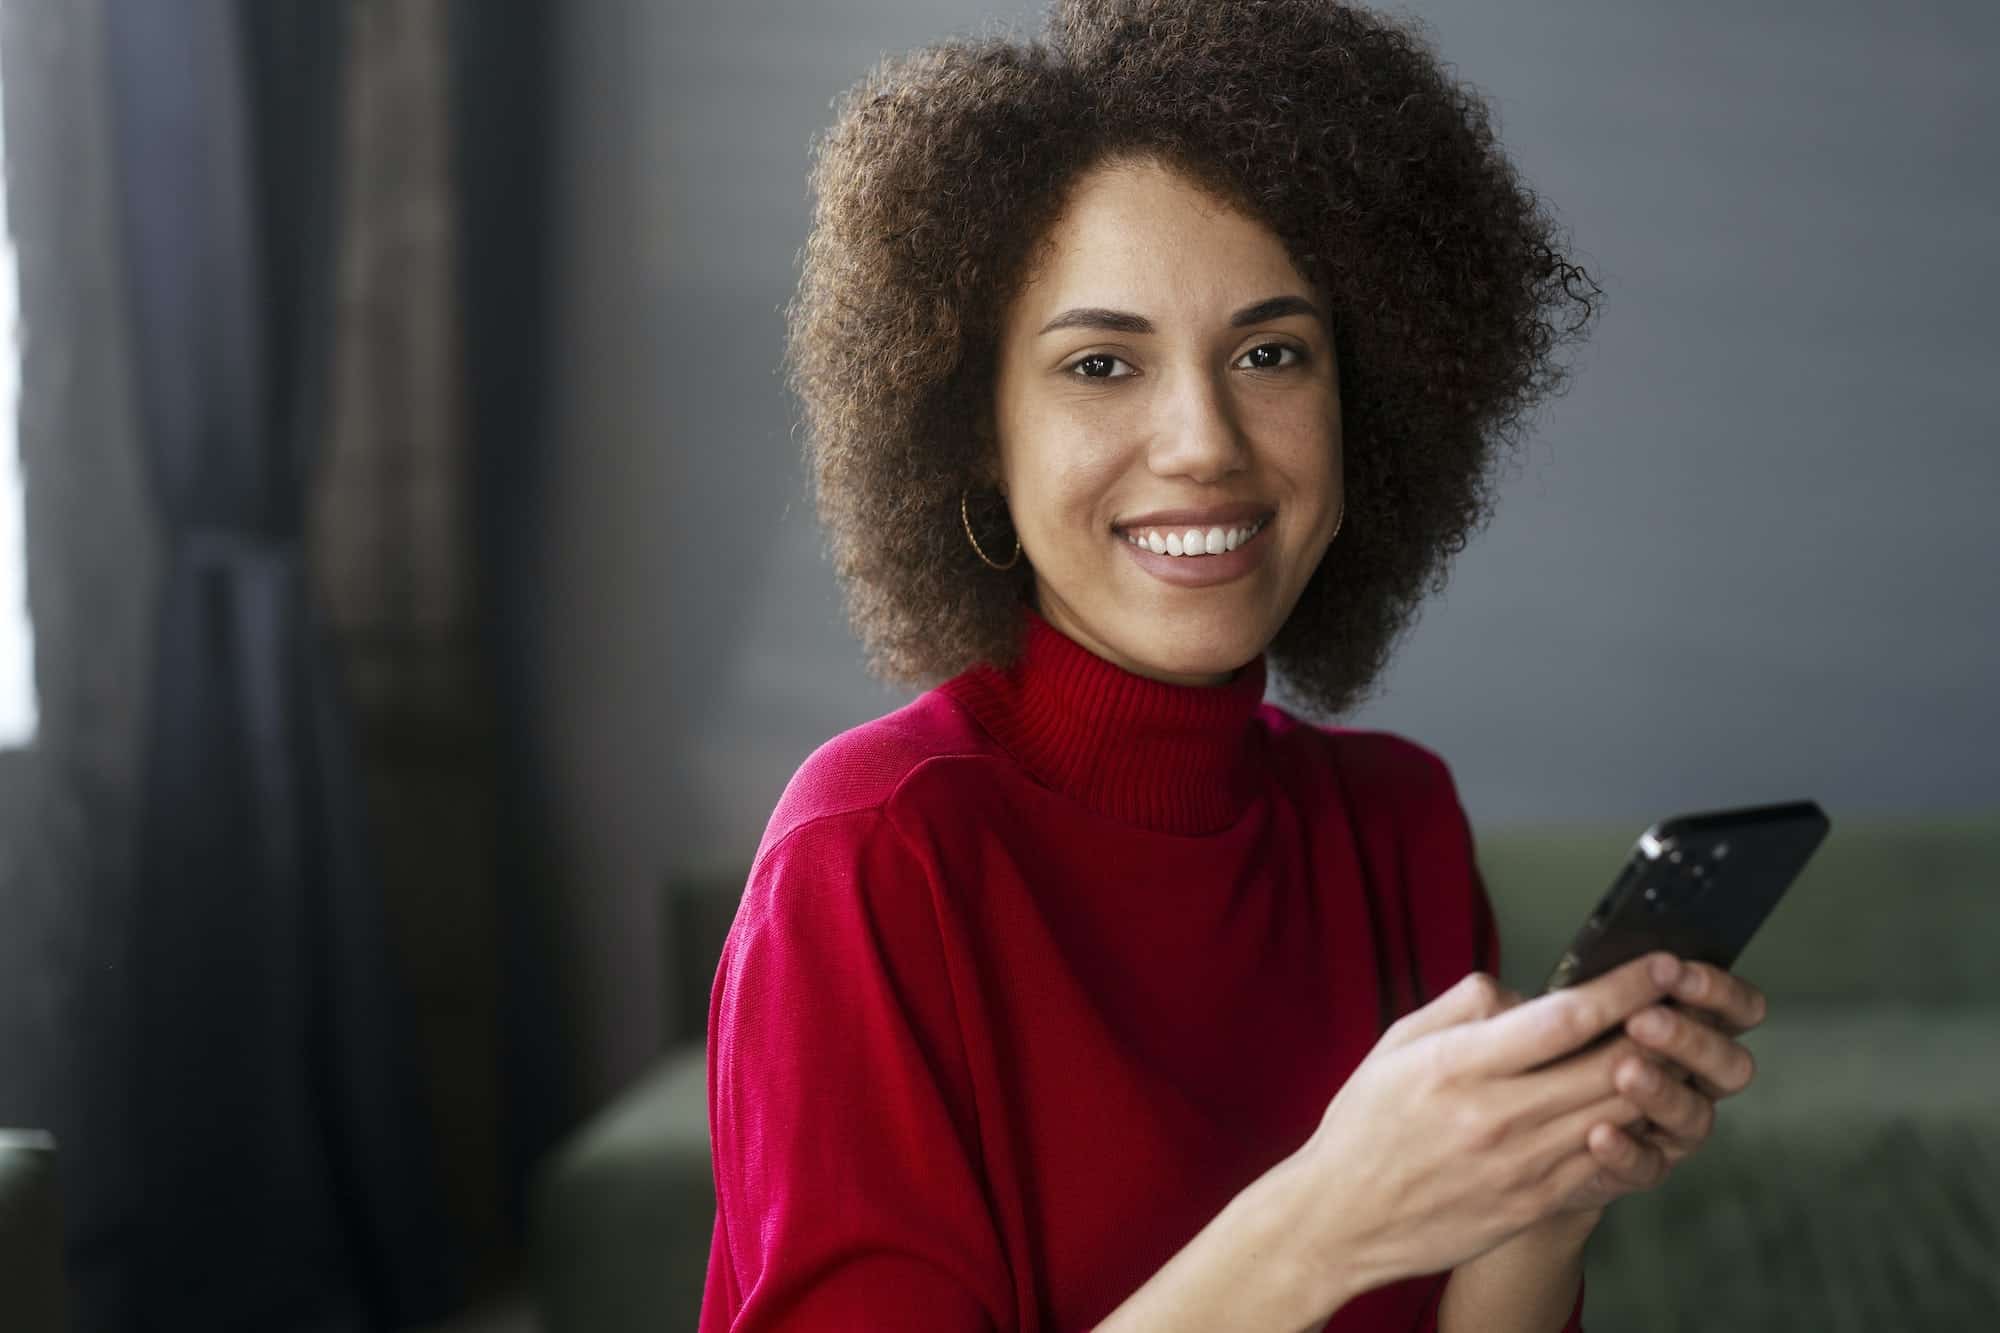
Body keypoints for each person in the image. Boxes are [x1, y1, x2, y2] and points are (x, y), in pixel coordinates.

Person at [700, 2, 1770, 1329]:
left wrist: (1544, 1193)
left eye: (1270, 353)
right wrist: (1331, 1215)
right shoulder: (873, 855)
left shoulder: (1397, 824)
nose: (1204, 441)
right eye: (1102, 364)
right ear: (977, 431)